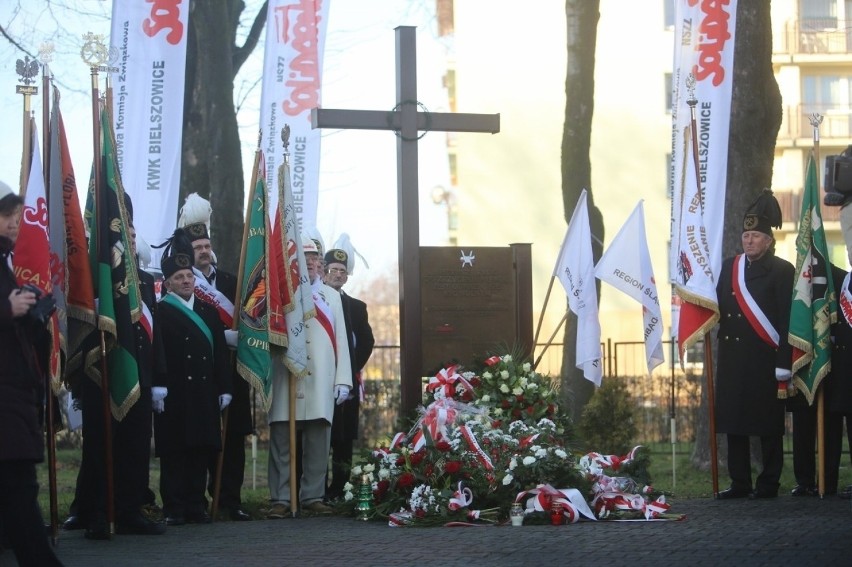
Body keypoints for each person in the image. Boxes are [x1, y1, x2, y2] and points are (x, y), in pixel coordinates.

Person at [63, 198, 166, 538]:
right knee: (101, 447)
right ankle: (95, 511)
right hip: (102, 375)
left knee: (136, 447)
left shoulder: (147, 282)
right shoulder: (95, 279)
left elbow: (154, 334)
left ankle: (128, 510)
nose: (131, 241)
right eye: (126, 235)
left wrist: (158, 379)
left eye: (134, 236)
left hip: (138, 374)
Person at [715, 189, 794, 500]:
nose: (749, 241)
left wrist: (784, 362)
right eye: (746, 235)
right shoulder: (729, 267)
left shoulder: (781, 270)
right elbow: (719, 304)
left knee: (767, 425)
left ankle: (769, 483)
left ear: (768, 241)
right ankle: (740, 483)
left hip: (765, 358)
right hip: (734, 357)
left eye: (756, 236)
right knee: (735, 422)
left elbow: (787, 319)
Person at [0, 181, 64, 566]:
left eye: (16, 215)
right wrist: (9, 311)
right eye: (6, 215)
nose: (13, 223)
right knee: (21, 496)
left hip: (15, 399)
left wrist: (34, 320)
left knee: (18, 494)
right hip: (5, 403)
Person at [266, 234, 352, 518]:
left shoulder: (331, 297)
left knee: (318, 444)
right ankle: (281, 497)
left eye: (315, 257)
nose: (311, 263)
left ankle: (313, 496)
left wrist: (343, 380)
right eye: (305, 258)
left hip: (320, 380)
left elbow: (341, 339)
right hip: (285, 377)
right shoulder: (280, 295)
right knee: (281, 442)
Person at [178, 194, 252, 521]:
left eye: (207, 246)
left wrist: (240, 338)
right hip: (199, 374)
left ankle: (229, 500)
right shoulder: (183, 285)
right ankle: (196, 500)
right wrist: (220, 339)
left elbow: (249, 319)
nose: (205, 251)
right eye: (198, 248)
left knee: (233, 438)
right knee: (204, 438)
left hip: (232, 372)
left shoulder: (230, 284)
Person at [153, 230, 232, 525]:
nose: (186, 281)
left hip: (203, 392)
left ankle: (195, 505)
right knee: (175, 452)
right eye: (179, 278)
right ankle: (174, 507)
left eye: (188, 276)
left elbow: (220, 354)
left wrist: (224, 387)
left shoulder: (208, 312)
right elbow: (156, 352)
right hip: (174, 393)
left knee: (200, 450)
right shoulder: (160, 312)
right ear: (169, 283)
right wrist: (157, 384)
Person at [322, 241, 375, 500]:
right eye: (333, 269)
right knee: (320, 439)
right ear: (323, 271)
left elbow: (366, 341)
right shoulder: (315, 299)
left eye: (342, 271)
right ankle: (316, 490)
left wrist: (352, 369)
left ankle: (339, 488)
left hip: (346, 383)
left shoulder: (356, 306)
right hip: (319, 381)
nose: (338, 274)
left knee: (343, 439)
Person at [825, 264, 852, 498]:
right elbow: (820, 255)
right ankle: (828, 481)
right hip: (839, 367)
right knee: (832, 427)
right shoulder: (842, 279)